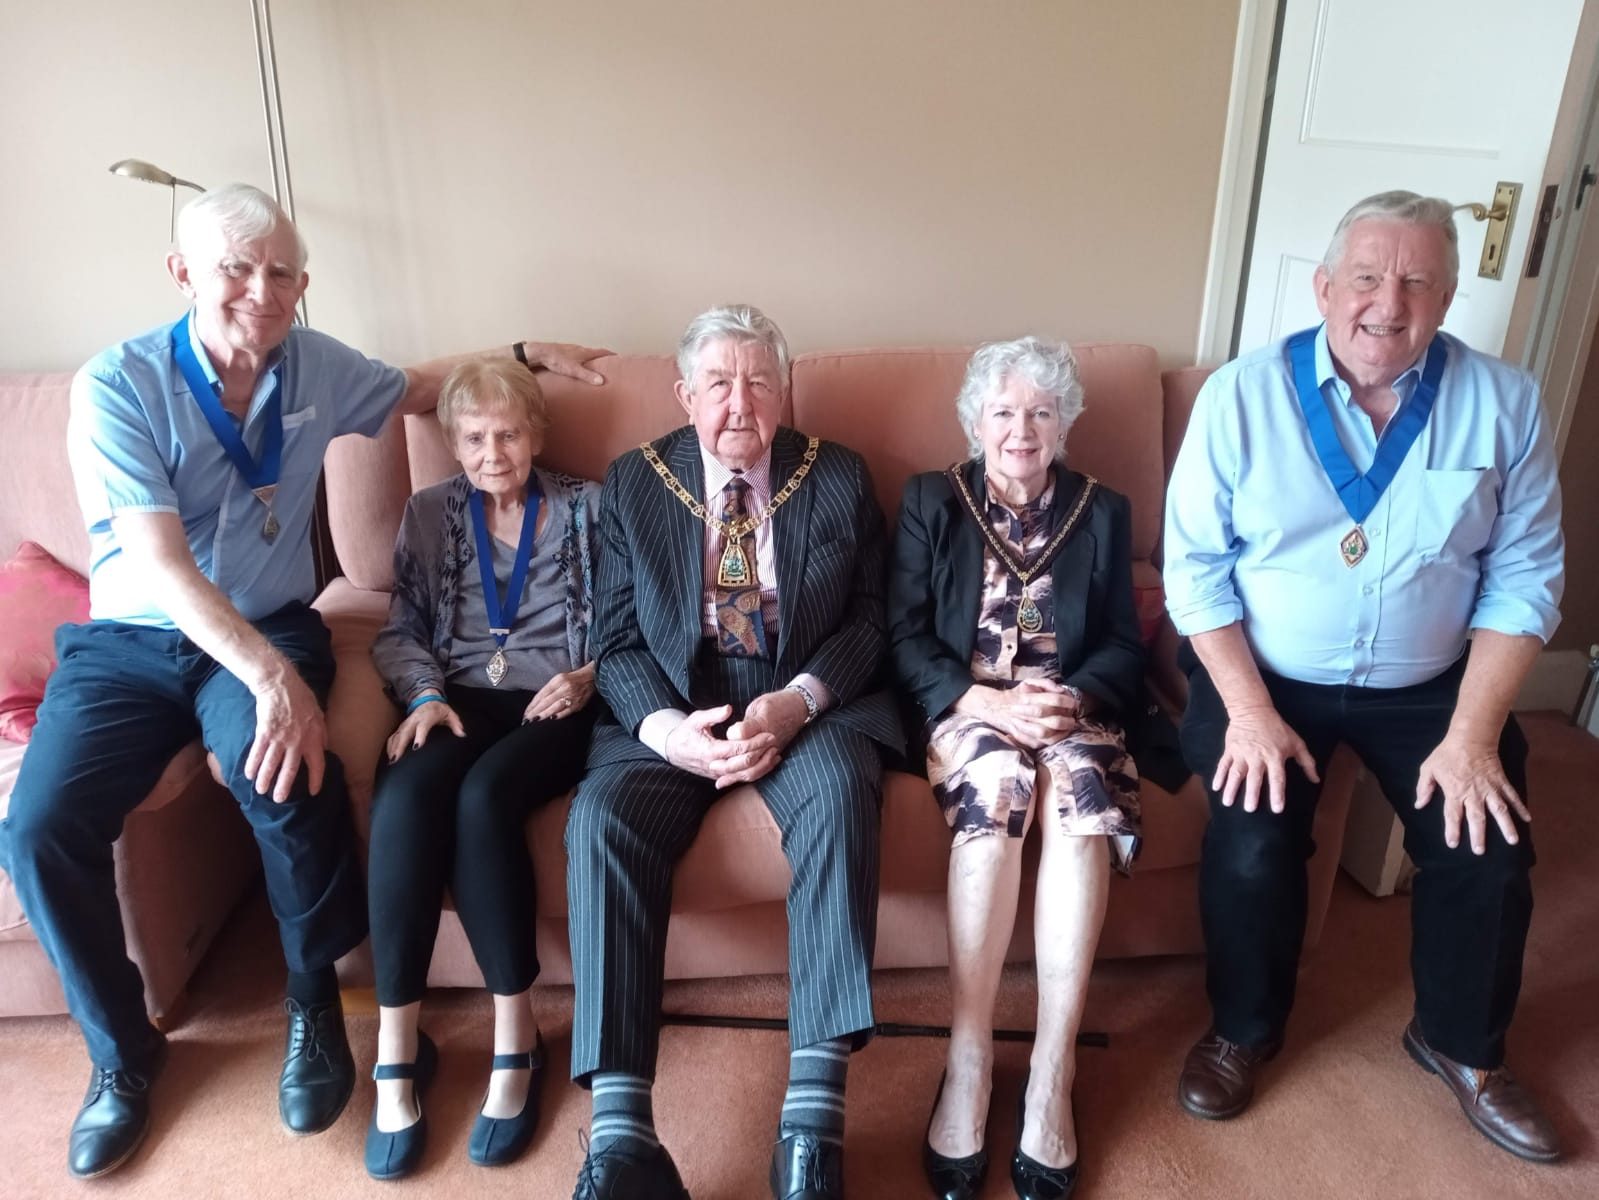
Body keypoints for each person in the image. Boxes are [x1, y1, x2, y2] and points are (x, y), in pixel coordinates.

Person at [0, 182, 606, 1180]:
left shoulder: (316, 367)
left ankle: (313, 998)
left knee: (286, 772)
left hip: (273, 623)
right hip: (139, 638)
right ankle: (120, 1054)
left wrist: (525, 351)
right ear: (183, 273)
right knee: (38, 824)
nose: (259, 289)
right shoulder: (119, 384)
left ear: (302, 286)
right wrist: (282, 676)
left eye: (280, 271)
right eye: (235, 268)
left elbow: (423, 389)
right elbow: (158, 563)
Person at [1164, 191, 1565, 1162]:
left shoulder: (1506, 402)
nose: (1389, 303)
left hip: (1432, 680)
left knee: (1488, 843)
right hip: (1264, 671)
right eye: (1367, 277)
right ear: (1324, 288)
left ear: (1449, 294)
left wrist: (1473, 736)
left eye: (1418, 280)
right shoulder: (1242, 394)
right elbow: (1194, 570)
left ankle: (1460, 1044)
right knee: (1253, 841)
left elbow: (1526, 578)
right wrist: (1248, 713)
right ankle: (1244, 1029)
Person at [564, 304, 902, 1200]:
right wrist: (669, 733)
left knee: (838, 792)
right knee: (600, 817)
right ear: (684, 394)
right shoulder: (636, 481)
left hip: (803, 701)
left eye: (758, 381)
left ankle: (811, 1127)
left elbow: (871, 622)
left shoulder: (837, 475)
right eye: (718, 383)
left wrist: (795, 705)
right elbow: (622, 639)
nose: (739, 403)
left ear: (783, 391)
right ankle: (622, 1139)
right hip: (679, 703)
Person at [888, 338, 1143, 1200]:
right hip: (970, 709)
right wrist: (981, 701)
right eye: (1003, 412)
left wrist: (1069, 699)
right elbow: (905, 633)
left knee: (1077, 811)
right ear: (974, 422)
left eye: (1040, 412)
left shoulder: (1103, 510)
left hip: (1070, 709)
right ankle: (966, 1059)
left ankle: (1050, 1070)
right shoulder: (932, 501)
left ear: (1066, 423)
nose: (1020, 430)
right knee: (997, 805)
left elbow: (1118, 640)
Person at [362, 360, 601, 1178]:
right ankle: (396, 1046)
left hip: (558, 702)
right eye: (472, 437)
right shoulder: (429, 514)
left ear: (535, 436)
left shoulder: (587, 508)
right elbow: (399, 627)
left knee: (485, 797)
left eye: (507, 434)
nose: (491, 452)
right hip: (457, 695)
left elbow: (640, 614)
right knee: (402, 796)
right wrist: (423, 694)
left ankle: (515, 1038)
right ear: (452, 443)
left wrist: (590, 674)